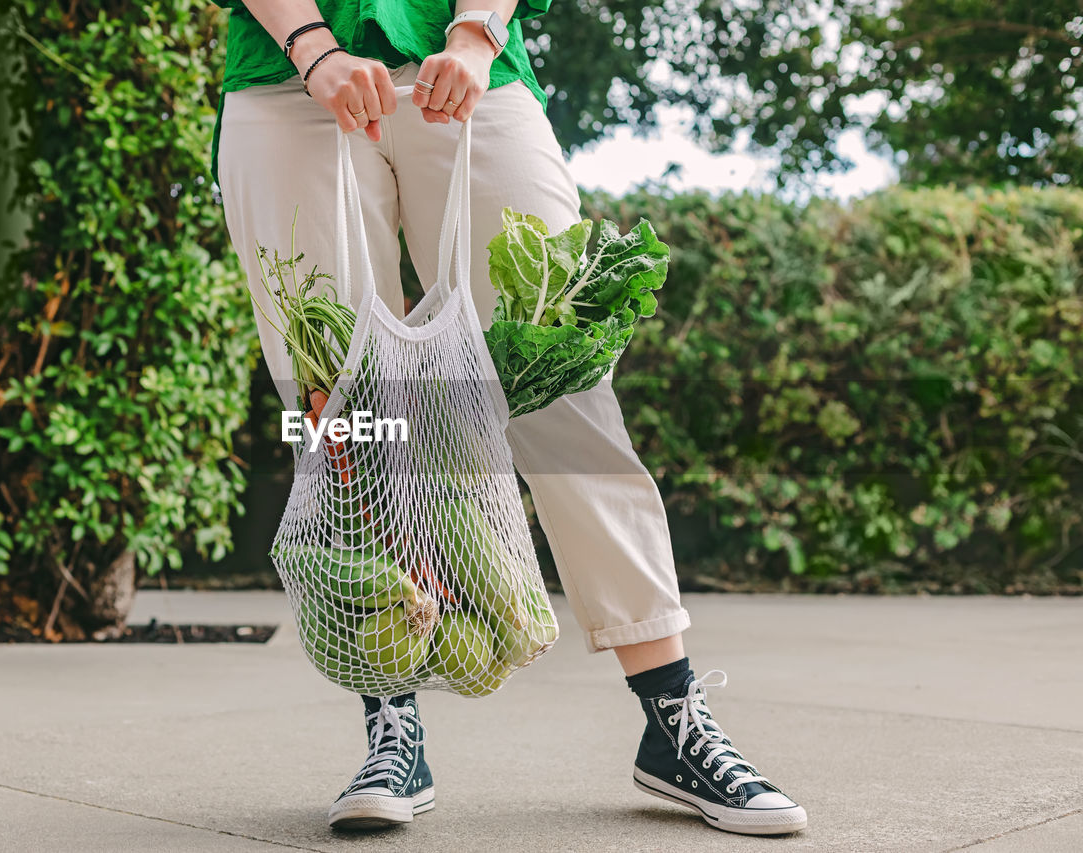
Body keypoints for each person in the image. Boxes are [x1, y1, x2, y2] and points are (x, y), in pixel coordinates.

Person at [210, 0, 807, 837]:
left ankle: (673, 717)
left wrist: (476, 34)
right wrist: (312, 49)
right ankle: (393, 722)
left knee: (564, 382)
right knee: (347, 410)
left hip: (469, 70)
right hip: (286, 79)